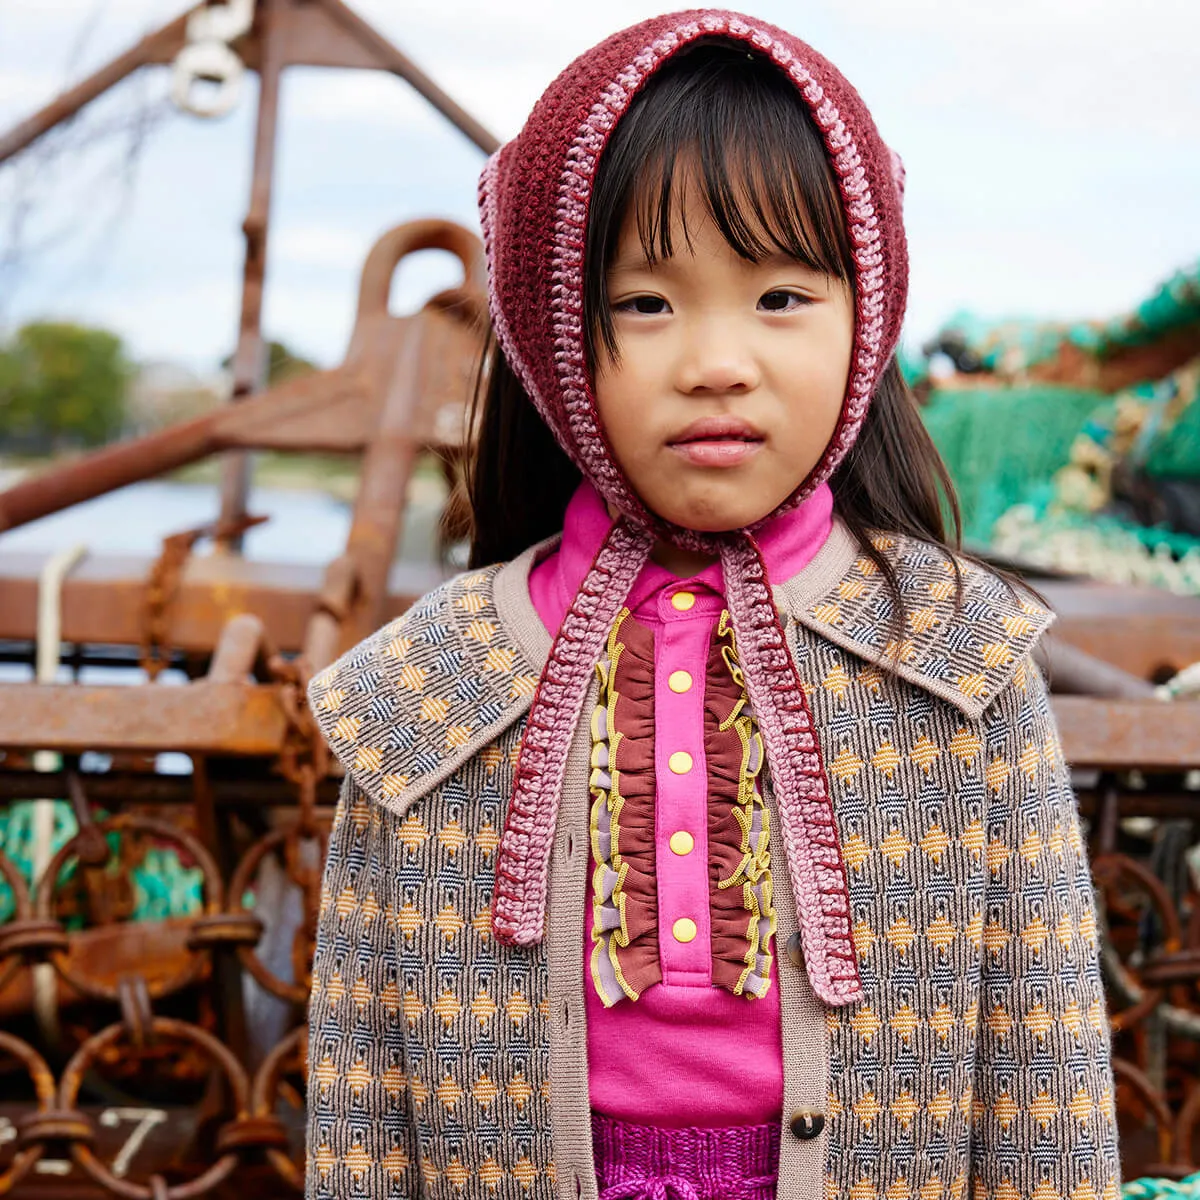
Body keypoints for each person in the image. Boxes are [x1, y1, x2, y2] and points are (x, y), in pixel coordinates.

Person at [304, 11, 1120, 1199]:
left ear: (867, 320)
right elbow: (360, 1101)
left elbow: (1047, 1077)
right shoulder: (428, 681)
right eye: (645, 303)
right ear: (550, 338)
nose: (717, 361)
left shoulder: (961, 656)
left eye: (782, 296)